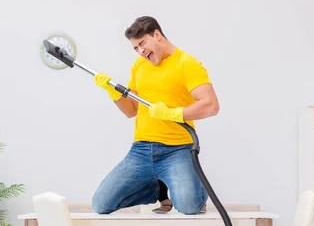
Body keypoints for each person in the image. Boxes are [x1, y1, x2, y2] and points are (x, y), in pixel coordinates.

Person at [91, 16, 219, 215]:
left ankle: (195, 190)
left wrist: (173, 113)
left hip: (177, 149)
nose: (141, 52)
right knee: (101, 204)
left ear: (157, 35)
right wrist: (113, 93)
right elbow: (131, 110)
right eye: (135, 48)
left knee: (188, 206)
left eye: (142, 43)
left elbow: (211, 105)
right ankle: (154, 188)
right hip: (141, 150)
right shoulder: (139, 66)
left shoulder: (187, 64)